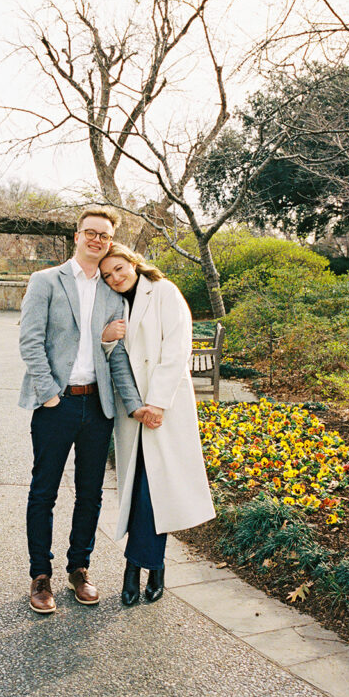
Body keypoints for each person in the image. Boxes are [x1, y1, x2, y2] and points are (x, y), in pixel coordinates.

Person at [19, 208, 154, 614]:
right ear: (76, 236)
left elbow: (116, 359)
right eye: (90, 232)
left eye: (105, 236)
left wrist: (134, 406)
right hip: (56, 404)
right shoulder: (46, 281)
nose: (97, 240)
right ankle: (40, 576)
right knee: (43, 492)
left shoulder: (114, 293)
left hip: (98, 406)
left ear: (110, 242)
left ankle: (80, 567)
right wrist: (50, 396)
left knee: (91, 494)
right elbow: (30, 342)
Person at [100, 243, 216, 606]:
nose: (115, 278)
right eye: (107, 275)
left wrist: (157, 404)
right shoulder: (114, 303)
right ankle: (153, 565)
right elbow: (115, 356)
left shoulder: (164, 292)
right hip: (133, 411)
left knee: (154, 492)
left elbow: (177, 349)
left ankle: (136, 567)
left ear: (133, 262)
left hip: (166, 406)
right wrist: (106, 340)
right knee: (139, 490)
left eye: (119, 268)